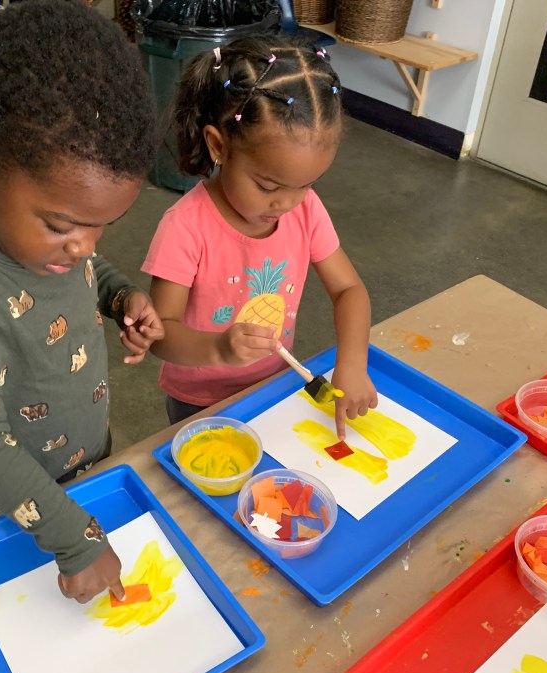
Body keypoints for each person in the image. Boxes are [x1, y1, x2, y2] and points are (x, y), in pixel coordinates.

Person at [0, 0, 163, 604]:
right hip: (8, 509)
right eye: (62, 225)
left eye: (102, 227)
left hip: (90, 463)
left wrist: (119, 295)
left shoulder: (58, 245)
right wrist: (75, 541)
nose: (84, 245)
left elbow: (85, 269)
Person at [142, 36, 376, 438]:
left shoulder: (305, 209)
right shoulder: (186, 226)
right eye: (268, 186)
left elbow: (348, 289)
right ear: (218, 146)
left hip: (274, 386)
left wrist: (352, 362)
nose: (287, 203)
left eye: (307, 184)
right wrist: (219, 349)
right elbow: (160, 334)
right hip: (200, 401)